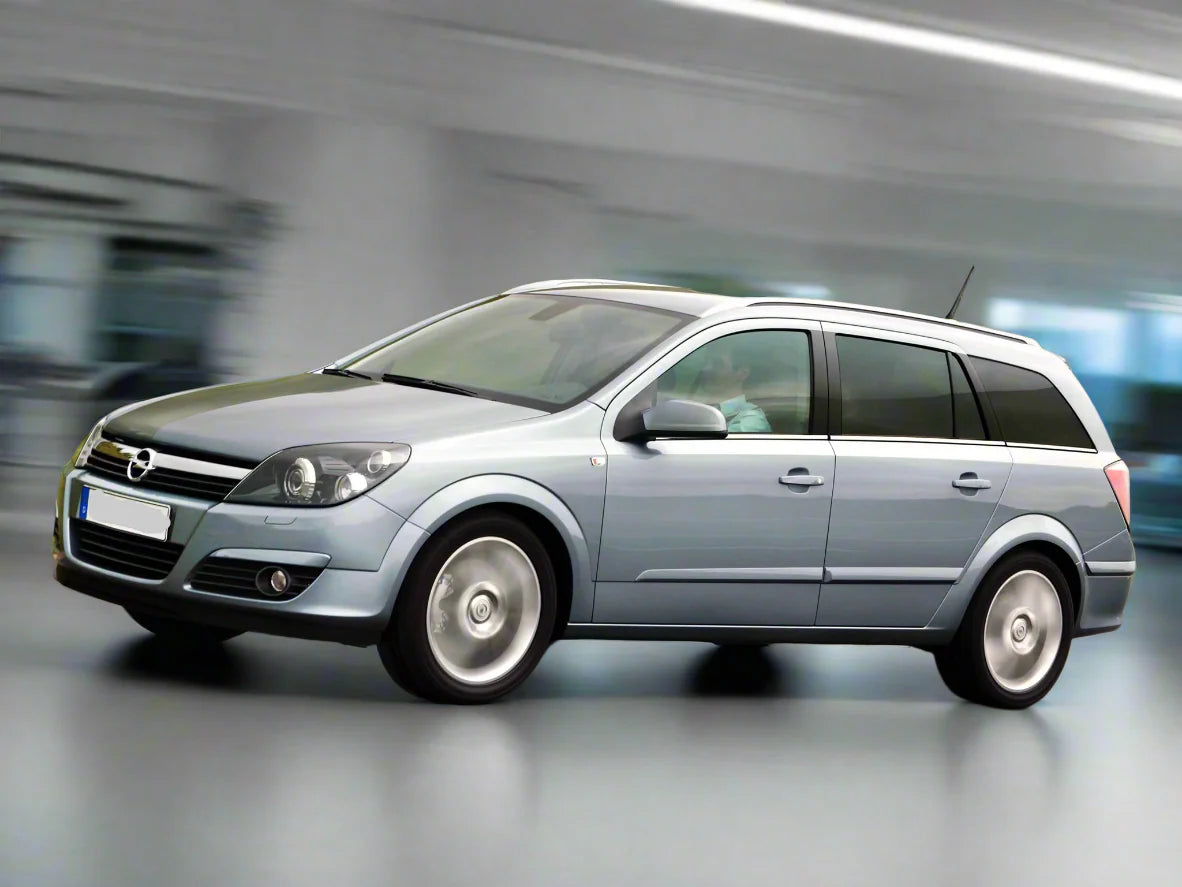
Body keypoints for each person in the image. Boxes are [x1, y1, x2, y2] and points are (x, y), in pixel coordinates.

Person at [694, 340, 772, 433]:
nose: (706, 368)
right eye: (705, 362)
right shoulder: (703, 409)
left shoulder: (749, 422)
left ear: (742, 373)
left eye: (717, 364)